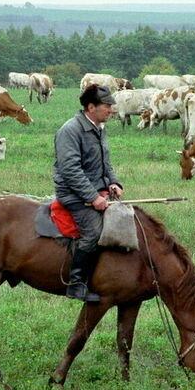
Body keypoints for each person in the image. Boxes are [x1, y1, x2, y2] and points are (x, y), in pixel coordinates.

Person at [53, 84, 124, 302]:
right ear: (91, 107)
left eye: (111, 106)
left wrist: (113, 182)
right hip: (73, 194)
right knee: (93, 233)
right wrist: (93, 197)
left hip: (98, 190)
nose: (111, 110)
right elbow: (70, 170)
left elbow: (105, 162)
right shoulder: (70, 130)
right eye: (106, 106)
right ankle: (76, 283)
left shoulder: (99, 128)